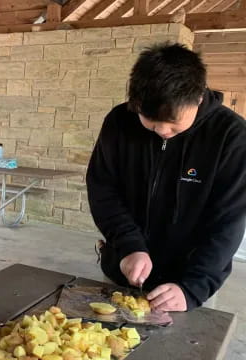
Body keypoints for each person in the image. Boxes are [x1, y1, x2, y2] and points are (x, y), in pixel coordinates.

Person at [86, 43, 246, 312]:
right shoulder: (119, 121)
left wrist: (193, 288)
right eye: (149, 120)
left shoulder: (232, 137)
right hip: (123, 269)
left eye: (173, 122)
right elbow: (102, 189)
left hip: (187, 284)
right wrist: (128, 246)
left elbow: (228, 223)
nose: (162, 130)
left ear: (197, 97)